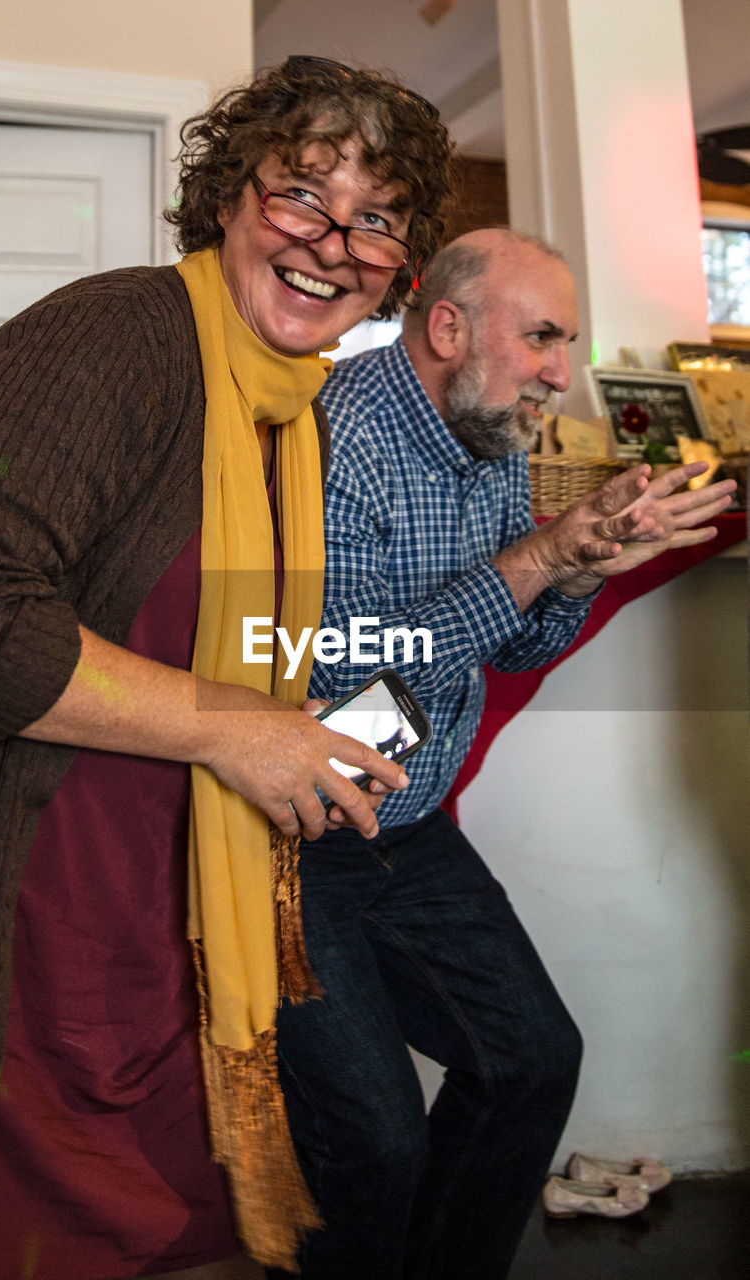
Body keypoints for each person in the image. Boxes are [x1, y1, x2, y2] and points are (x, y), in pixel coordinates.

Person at [0, 58, 454, 1280]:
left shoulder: (288, 408)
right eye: (301, 193)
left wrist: (286, 722)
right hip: (27, 936)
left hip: (165, 940)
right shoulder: (118, 334)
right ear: (225, 197)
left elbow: (179, 637)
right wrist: (232, 729)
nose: (333, 241)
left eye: (376, 218)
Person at [267, 227, 737, 1280]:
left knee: (531, 1060)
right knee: (374, 1140)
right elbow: (342, 680)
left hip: (411, 825)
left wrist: (576, 569)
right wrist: (535, 555)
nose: (558, 374)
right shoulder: (329, 437)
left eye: (565, 343)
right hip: (295, 831)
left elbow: (507, 637)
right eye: (540, 337)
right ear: (446, 325)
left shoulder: (496, 436)